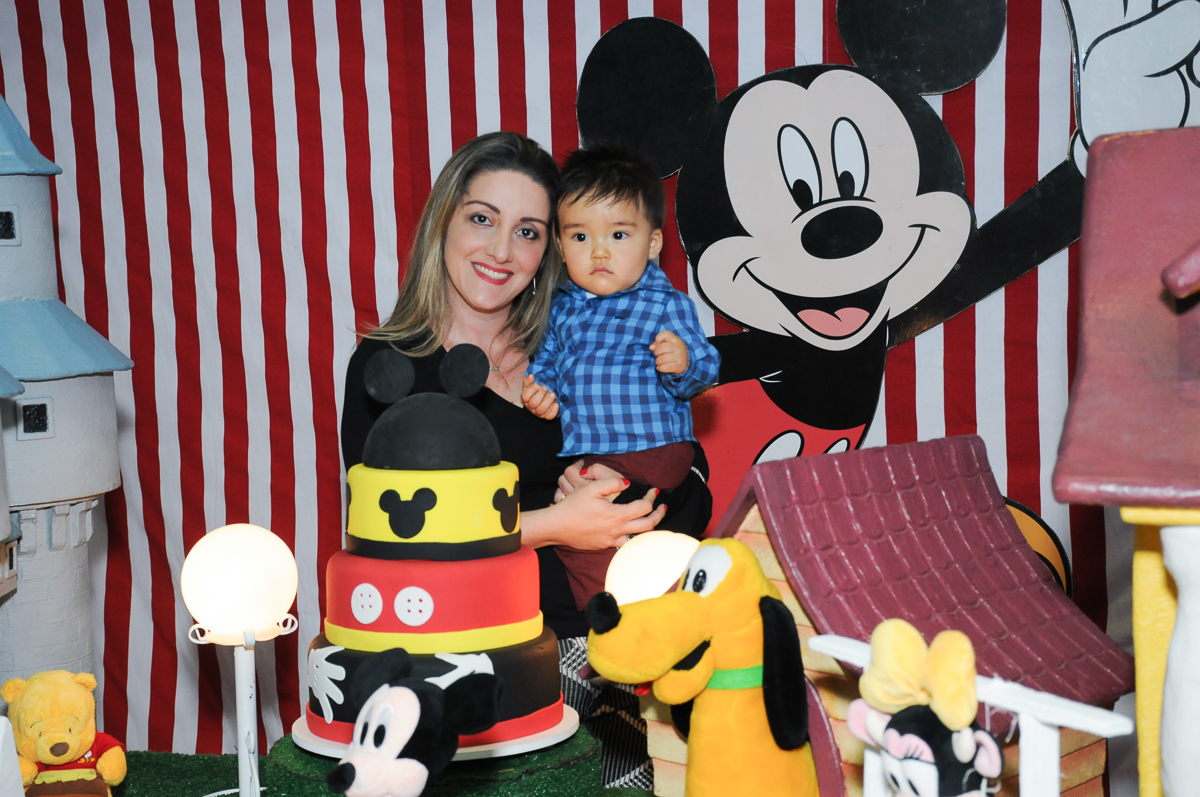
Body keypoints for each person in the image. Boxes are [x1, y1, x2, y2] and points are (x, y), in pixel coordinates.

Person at [339, 132, 713, 789]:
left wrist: (631, 496)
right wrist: (558, 523)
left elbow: (687, 464)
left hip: (613, 646)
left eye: (530, 231)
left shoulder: (570, 345)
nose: (502, 250)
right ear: (443, 222)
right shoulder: (390, 367)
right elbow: (386, 539)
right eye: (482, 218)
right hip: (477, 663)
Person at [520, 143, 720, 610]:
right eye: (581, 237)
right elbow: (547, 361)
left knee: (600, 518)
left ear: (652, 244)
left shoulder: (662, 304)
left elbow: (706, 368)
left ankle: (623, 616)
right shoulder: (562, 309)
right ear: (560, 244)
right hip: (597, 451)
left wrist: (684, 363)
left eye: (619, 235)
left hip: (653, 448)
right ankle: (621, 613)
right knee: (584, 539)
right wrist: (540, 391)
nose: (600, 252)